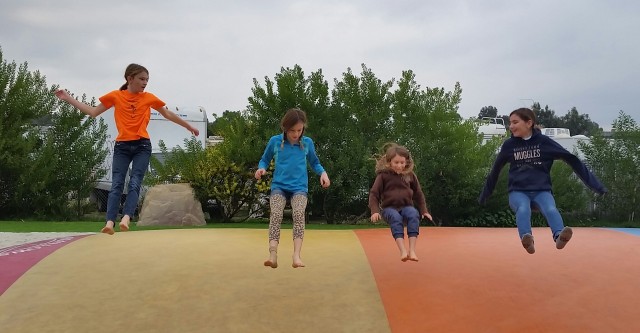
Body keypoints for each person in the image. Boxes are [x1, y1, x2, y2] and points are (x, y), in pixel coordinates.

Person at [55, 63, 199, 235]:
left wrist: (188, 126)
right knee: (117, 184)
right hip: (122, 146)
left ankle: (126, 218)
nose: (145, 83)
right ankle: (109, 222)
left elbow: (167, 114)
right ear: (130, 79)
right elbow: (93, 112)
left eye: (147, 79)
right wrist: (68, 98)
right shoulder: (116, 96)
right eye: (142, 79)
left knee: (135, 182)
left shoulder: (149, 98)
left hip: (142, 145)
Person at [478, 107, 607, 254]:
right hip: (518, 191)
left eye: (515, 122)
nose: (511, 126)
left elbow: (572, 159)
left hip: (541, 191)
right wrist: (485, 193)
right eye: (510, 123)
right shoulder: (509, 145)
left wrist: (596, 186)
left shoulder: (544, 142)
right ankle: (528, 240)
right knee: (523, 208)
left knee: (550, 209)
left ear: (529, 123)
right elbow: (496, 169)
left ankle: (559, 237)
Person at [255, 108, 330, 268]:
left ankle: (296, 256)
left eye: (299, 130)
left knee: (298, 213)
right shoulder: (275, 141)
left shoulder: (307, 143)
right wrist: (261, 168)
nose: (296, 134)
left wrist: (323, 173)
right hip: (279, 186)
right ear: (285, 128)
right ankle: (273, 254)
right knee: (275, 213)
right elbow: (264, 159)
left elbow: (315, 162)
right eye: (292, 130)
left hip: (299, 188)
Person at [369, 143, 432, 262]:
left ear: (406, 162)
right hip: (389, 209)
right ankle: (403, 250)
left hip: (407, 207)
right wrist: (375, 211)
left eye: (402, 163)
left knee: (414, 215)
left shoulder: (410, 175)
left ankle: (412, 250)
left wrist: (424, 211)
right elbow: (374, 194)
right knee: (395, 218)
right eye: (396, 163)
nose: (399, 166)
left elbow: (418, 193)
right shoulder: (383, 176)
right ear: (389, 163)